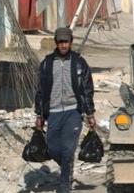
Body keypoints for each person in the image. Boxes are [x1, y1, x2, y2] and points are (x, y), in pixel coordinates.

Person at [34, 27, 95, 193]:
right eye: (60, 42)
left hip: (73, 111)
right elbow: (40, 90)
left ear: (71, 42)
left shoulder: (79, 63)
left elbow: (87, 89)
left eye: (66, 42)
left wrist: (90, 113)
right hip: (53, 112)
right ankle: (68, 165)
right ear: (56, 43)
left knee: (68, 148)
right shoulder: (47, 63)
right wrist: (39, 114)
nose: (63, 45)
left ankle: (64, 186)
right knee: (53, 148)